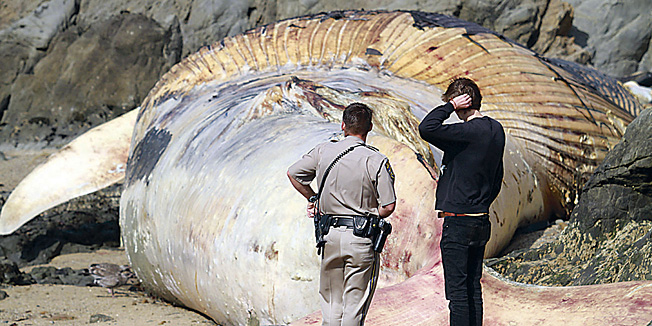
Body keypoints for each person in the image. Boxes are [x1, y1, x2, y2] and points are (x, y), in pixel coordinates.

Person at [287, 102, 396, 326]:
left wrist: (313, 198)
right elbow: (389, 206)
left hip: (329, 236)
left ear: (343, 125)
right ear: (370, 128)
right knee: (354, 307)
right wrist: (370, 212)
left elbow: (293, 173)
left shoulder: (323, 151)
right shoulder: (376, 160)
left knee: (331, 304)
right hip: (361, 238)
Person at [418, 78, 505, 326]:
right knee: (472, 290)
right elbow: (498, 176)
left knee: (457, 295)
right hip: (481, 218)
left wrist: (449, 107)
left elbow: (427, 128)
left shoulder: (466, 132)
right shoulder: (496, 129)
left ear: (460, 102)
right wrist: (482, 202)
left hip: (458, 221)